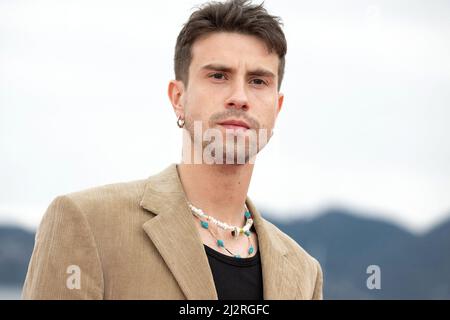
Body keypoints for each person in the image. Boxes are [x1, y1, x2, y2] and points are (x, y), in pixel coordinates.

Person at [22, 0, 323, 300]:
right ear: (178, 97)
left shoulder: (303, 272)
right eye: (218, 75)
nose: (240, 97)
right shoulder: (88, 223)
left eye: (258, 81)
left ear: (277, 108)